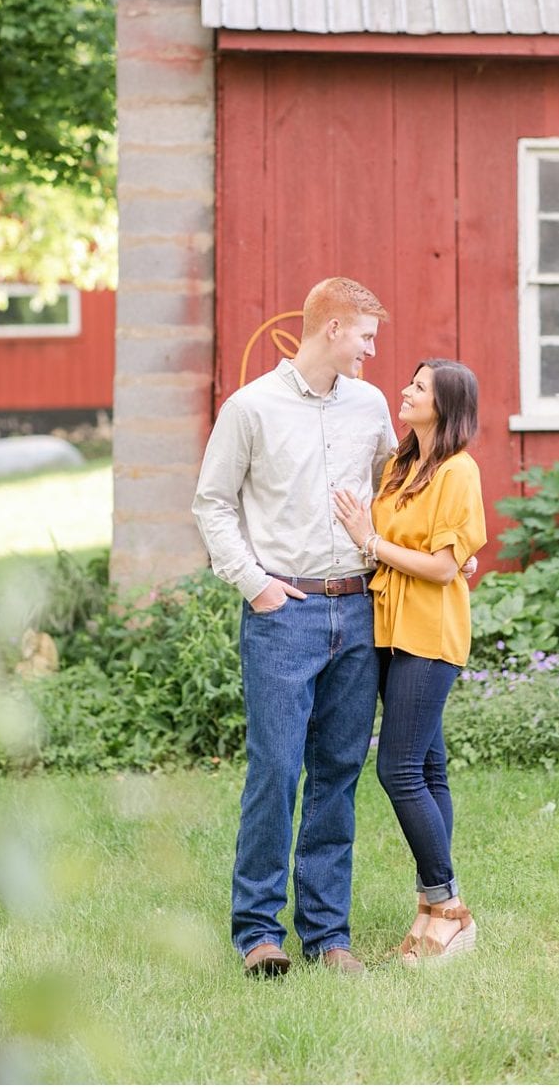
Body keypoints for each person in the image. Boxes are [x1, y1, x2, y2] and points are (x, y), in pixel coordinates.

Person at [193, 277, 397, 977]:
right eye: (366, 335)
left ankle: (328, 934)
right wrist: (255, 586)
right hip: (286, 614)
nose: (372, 350)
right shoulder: (250, 408)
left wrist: (430, 554)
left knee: (338, 773)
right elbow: (212, 504)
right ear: (333, 327)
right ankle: (258, 932)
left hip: (358, 607)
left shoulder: (370, 406)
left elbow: (395, 491)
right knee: (277, 771)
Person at [332, 359, 486, 966]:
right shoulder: (400, 466)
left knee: (396, 771)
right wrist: (375, 544)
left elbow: (446, 567)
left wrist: (367, 541)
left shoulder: (458, 471)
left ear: (444, 405)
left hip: (429, 633)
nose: (406, 389)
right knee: (427, 768)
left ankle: (448, 906)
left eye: (419, 387)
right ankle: (431, 911)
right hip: (390, 630)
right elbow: (410, 549)